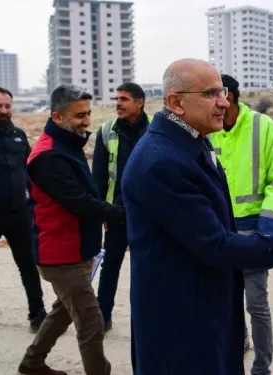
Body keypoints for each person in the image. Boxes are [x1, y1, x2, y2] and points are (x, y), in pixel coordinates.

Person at [121, 58, 273, 375]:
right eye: (211, 93)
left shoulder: (190, 143)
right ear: (177, 102)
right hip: (181, 322)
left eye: (222, 91)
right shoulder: (162, 161)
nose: (224, 102)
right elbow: (215, 245)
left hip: (201, 307)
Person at [17, 85, 126, 375]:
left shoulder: (67, 145)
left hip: (77, 248)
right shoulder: (48, 156)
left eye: (88, 113)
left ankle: (32, 363)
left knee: (63, 311)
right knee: (90, 321)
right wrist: (121, 214)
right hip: (61, 254)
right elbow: (79, 202)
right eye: (80, 115)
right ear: (57, 116)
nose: (87, 121)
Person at [209, 74, 273, 374]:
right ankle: (233, 357)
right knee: (224, 305)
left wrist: (266, 236)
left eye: (213, 93)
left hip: (256, 231)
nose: (211, 101)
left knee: (256, 305)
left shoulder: (263, 127)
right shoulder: (206, 130)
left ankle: (261, 368)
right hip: (218, 235)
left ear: (228, 96)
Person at [0, 87, 47, 332]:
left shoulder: (18, 135)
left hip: (19, 214)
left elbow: (30, 171)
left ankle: (37, 314)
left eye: (7, 106)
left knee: (28, 264)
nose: (4, 111)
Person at [92, 82, 152, 332]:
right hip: (116, 213)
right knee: (111, 265)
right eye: (117, 99)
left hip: (149, 215)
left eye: (124, 99)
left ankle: (148, 318)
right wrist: (101, 211)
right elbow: (98, 177)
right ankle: (102, 316)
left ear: (140, 102)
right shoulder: (106, 132)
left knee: (148, 267)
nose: (118, 103)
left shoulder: (154, 131)